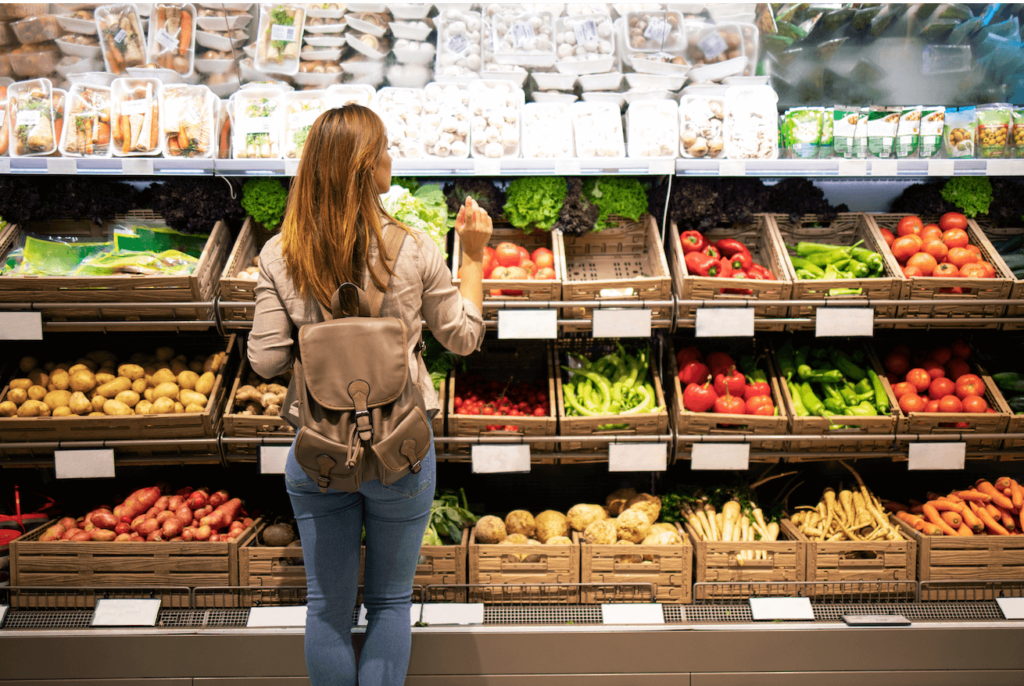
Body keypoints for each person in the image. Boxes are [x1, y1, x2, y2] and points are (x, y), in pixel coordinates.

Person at [248, 104, 491, 686]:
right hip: (400, 450)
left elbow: (265, 359)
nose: (390, 159)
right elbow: (462, 337)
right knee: (388, 603)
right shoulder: (415, 248)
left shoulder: (281, 255)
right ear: (365, 169)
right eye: (382, 150)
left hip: (319, 452)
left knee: (326, 609)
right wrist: (475, 254)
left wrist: (320, 348)